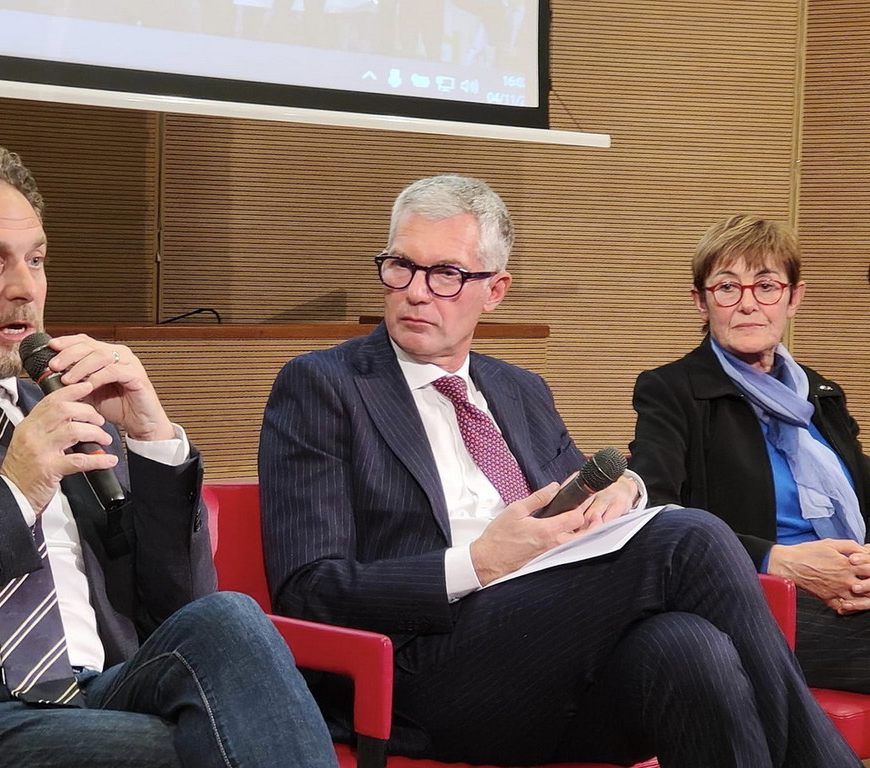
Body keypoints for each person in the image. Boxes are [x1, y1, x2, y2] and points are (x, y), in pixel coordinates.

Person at [258, 175, 860, 767]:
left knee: (691, 648)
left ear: (495, 290)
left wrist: (622, 495)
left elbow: (585, 506)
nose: (417, 292)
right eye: (401, 267)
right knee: (692, 535)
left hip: (548, 656)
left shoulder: (520, 390)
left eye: (446, 274)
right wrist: (479, 562)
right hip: (423, 669)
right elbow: (308, 589)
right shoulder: (323, 386)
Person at [0, 147, 337, 767]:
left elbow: (177, 607)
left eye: (36, 260)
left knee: (230, 619)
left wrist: (152, 440)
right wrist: (13, 494)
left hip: (96, 688)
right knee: (206, 748)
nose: (25, 289)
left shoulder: (64, 405)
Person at [629, 214, 870, 694]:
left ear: (793, 298)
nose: (747, 304)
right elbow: (653, 513)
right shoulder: (671, 390)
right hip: (755, 599)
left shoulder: (821, 394)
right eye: (726, 287)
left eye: (766, 286)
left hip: (853, 587)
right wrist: (776, 559)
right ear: (700, 302)